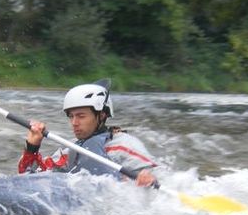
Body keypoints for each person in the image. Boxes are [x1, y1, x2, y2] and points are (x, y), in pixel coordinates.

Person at [18, 80, 158, 187]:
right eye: (71, 116)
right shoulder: (70, 149)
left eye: (81, 116)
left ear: (102, 115)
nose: (74, 122)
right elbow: (28, 178)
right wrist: (33, 146)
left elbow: (159, 176)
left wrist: (147, 177)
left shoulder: (123, 144)